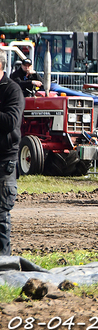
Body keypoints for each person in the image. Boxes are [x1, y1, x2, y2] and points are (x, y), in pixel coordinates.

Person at [0, 51, 25, 256]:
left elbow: (11, 121)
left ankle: (3, 268)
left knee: (0, 217)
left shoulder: (12, 90)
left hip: (4, 161)